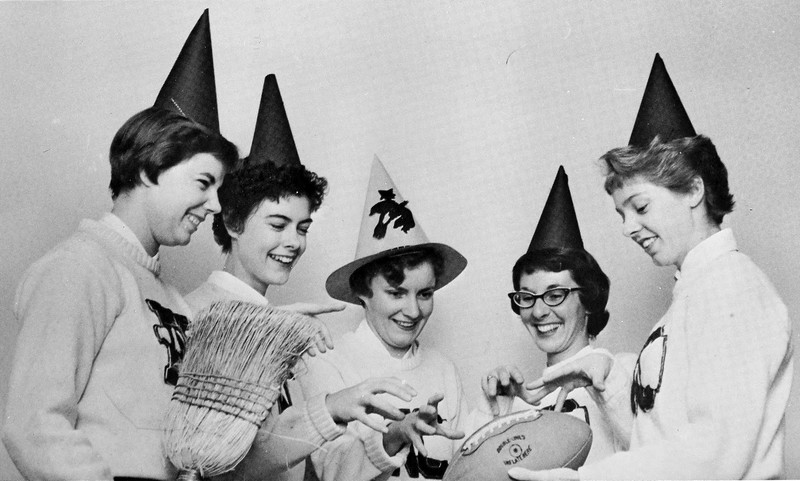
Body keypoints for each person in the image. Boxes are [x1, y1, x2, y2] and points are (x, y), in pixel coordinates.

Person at [509, 54, 793, 480]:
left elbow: (713, 456)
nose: (628, 228)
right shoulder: (695, 292)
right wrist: (608, 384)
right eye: (621, 214)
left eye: (640, 207)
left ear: (693, 190)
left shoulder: (731, 289)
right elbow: (662, 445)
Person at [2, 12, 240, 481]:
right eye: (204, 183)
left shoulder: (170, 296)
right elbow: (34, 426)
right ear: (152, 168)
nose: (215, 205)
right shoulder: (78, 268)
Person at [184, 76, 418, 481]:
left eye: (303, 228)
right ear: (234, 222)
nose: (293, 242)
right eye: (278, 224)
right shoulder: (196, 316)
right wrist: (328, 409)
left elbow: (300, 462)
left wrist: (390, 436)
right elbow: (211, 464)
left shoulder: (288, 329)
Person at [297, 156, 469, 480]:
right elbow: (331, 471)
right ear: (362, 291)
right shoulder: (327, 362)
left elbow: (466, 469)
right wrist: (393, 437)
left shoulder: (444, 369)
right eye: (396, 293)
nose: (413, 311)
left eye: (425, 294)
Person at [479, 166, 634, 465]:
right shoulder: (518, 400)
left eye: (555, 295)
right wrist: (495, 413)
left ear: (588, 298)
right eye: (527, 297)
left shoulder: (625, 372)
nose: (538, 312)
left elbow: (656, 457)